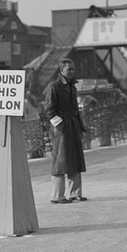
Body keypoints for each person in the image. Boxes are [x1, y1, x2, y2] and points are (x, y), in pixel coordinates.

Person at [44, 58, 87, 204]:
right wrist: (61, 126)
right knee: (61, 161)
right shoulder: (54, 87)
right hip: (61, 129)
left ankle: (75, 193)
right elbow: (49, 111)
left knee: (75, 159)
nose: (72, 71)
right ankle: (57, 195)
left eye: (73, 69)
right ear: (61, 71)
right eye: (69, 69)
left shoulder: (72, 87)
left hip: (73, 125)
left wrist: (80, 127)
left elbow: (76, 110)